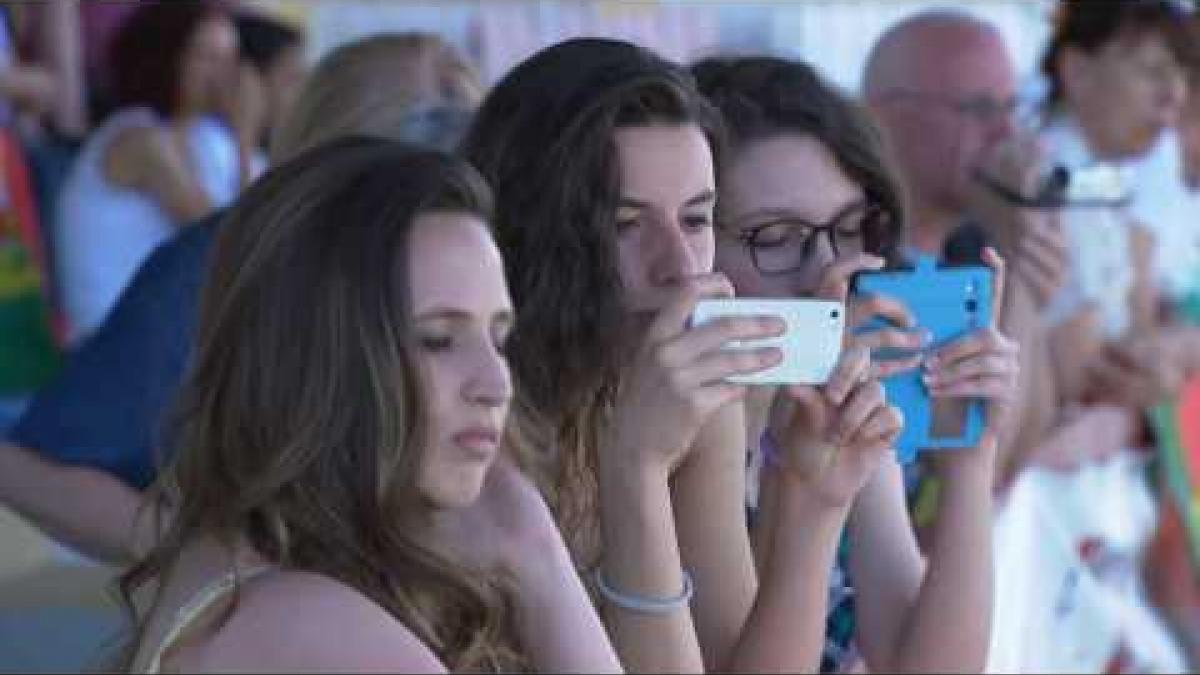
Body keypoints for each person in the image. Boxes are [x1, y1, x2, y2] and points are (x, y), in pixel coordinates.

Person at [463, 37, 902, 672]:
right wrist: (636, 466)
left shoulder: (699, 402)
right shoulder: (472, 406)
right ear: (532, 234)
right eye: (624, 225)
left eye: (696, 221)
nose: (677, 266)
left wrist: (814, 504)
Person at [117, 137, 620, 673]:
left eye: (498, 339)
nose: (496, 384)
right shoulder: (313, 625)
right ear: (318, 362)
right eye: (437, 341)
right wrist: (541, 561)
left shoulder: (240, 565)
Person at [0, 32, 480, 565]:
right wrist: (229, 569)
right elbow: (30, 468)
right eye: (208, 55)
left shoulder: (479, 271)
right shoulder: (198, 214)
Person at [692, 55, 1019, 673]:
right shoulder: (682, 428)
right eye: (776, 237)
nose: (827, 272)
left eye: (848, 230)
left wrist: (971, 450)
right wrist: (805, 488)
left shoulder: (845, 388)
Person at [52, 0, 260, 343]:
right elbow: (230, 243)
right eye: (207, 57)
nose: (225, 76)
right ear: (166, 58)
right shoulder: (139, 139)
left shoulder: (195, 140)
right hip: (109, 346)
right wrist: (244, 136)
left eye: (230, 59)